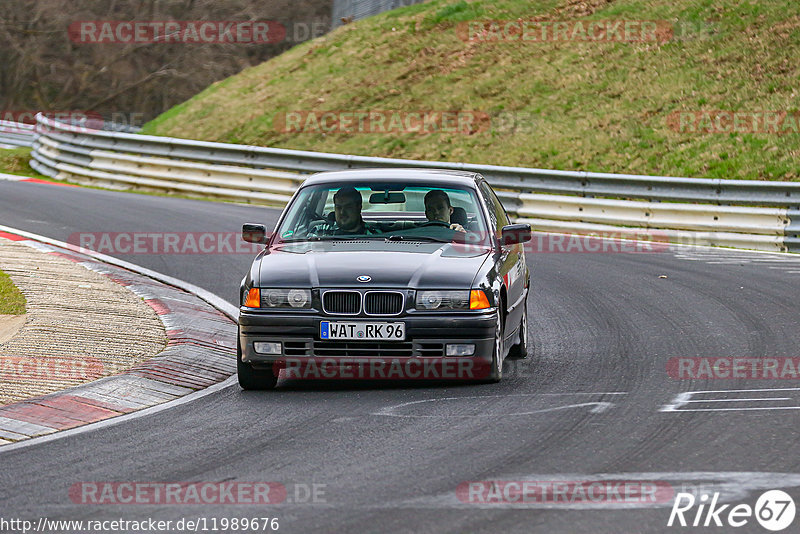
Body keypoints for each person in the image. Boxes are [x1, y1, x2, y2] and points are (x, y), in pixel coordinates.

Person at [309, 186, 379, 236]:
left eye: (348, 207)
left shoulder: (375, 235)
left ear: (359, 207)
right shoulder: (320, 231)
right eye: (338, 207)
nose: (342, 212)